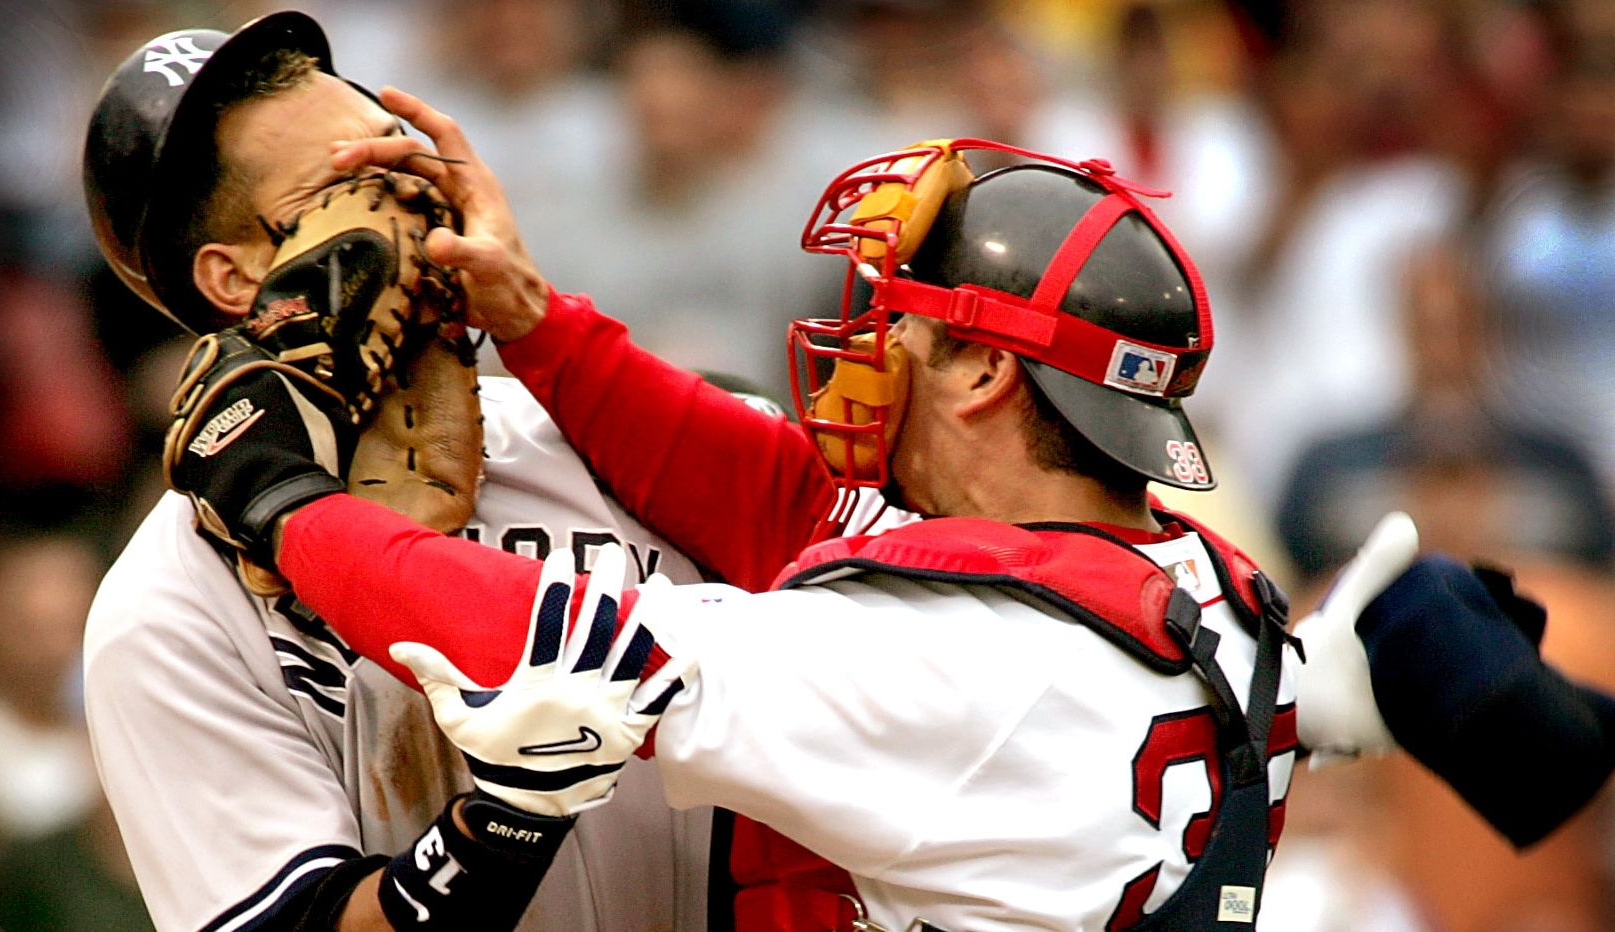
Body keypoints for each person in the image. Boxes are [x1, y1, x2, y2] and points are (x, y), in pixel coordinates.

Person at [177, 100, 1615, 927]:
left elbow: (547, 644)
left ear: (988, 369)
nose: (865, 342)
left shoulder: (933, 658)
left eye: (904, 320)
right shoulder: (1211, 579)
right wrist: (543, 321)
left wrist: (283, 499)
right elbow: (793, 502)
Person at [79, 13, 718, 932]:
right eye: (354, 188)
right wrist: (504, 824)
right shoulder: (168, 610)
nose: (410, 206)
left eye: (405, 163)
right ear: (234, 278)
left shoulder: (601, 443)